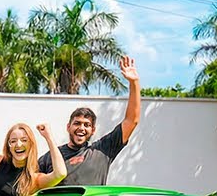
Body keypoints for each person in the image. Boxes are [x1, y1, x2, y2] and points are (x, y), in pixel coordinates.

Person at [36, 56, 142, 185]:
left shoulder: (102, 150)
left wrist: (134, 83)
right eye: (77, 123)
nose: (81, 128)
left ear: (93, 130)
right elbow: (28, 180)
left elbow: (131, 121)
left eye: (87, 125)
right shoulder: (51, 157)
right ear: (68, 127)